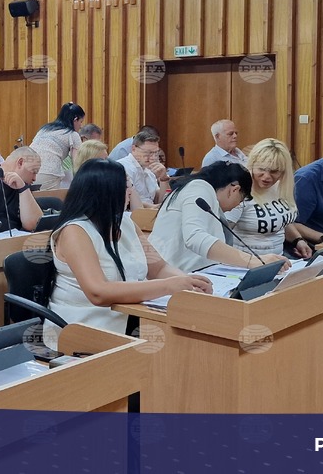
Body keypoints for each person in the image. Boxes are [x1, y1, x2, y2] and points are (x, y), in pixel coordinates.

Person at [44, 160, 212, 347]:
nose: (131, 192)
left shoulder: (125, 223)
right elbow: (98, 292)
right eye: (126, 186)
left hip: (130, 317)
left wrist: (189, 284)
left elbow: (158, 268)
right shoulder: (75, 231)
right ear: (106, 191)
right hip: (84, 327)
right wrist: (169, 286)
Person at [149, 161, 290, 273]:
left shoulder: (202, 192)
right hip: (170, 276)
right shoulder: (199, 188)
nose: (237, 206)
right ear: (235, 190)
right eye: (240, 200)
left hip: (188, 274)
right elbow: (195, 237)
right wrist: (252, 260)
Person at [225, 139, 314, 259]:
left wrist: (298, 240)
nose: (266, 177)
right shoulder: (240, 192)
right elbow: (221, 235)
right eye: (261, 169)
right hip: (247, 263)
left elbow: (279, 221)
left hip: (279, 261)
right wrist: (250, 261)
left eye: (274, 171)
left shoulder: (280, 187)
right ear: (251, 165)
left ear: (283, 172)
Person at [29, 103, 86, 189]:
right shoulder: (72, 134)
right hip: (49, 173)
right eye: (81, 122)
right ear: (75, 119)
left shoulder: (44, 129)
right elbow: (77, 163)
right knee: (51, 197)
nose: (81, 126)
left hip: (27, 170)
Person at [117, 131, 170, 208]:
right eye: (148, 153)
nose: (153, 157)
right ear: (133, 149)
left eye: (155, 153)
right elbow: (127, 200)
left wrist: (163, 178)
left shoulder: (149, 169)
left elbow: (159, 199)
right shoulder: (123, 167)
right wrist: (154, 207)